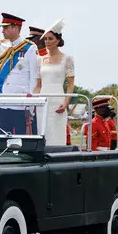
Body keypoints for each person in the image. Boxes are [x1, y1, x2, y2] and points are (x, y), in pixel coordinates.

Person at [33, 18, 75, 146]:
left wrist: (66, 102)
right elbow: (38, 85)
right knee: (42, 132)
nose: (47, 41)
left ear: (57, 40)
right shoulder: (39, 60)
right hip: (42, 100)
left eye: (50, 38)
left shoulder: (67, 59)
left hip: (58, 99)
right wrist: (32, 102)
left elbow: (70, 84)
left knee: (57, 133)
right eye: (45, 39)